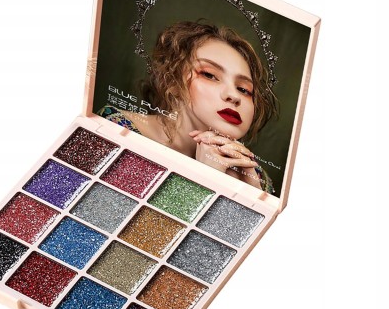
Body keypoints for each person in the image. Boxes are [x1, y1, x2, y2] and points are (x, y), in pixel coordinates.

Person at [98, 21, 278, 193]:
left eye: (244, 89)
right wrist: (205, 178)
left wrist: (252, 195)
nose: (234, 96)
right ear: (172, 81)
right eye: (210, 75)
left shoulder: (253, 175)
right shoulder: (116, 129)